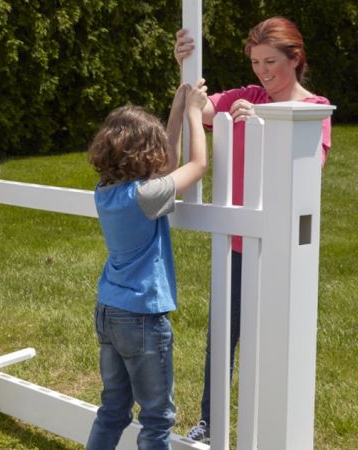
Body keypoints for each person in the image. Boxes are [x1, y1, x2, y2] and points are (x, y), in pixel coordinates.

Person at [174, 17, 332, 444]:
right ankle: (211, 421)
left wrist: (259, 120)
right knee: (222, 338)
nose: (263, 71)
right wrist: (185, 66)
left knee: (273, 343)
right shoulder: (246, 96)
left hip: (281, 249)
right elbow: (199, 107)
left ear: (295, 59)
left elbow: (308, 170)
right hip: (237, 243)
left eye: (271, 61)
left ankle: (271, 427)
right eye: (256, 62)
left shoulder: (316, 108)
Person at [86, 79, 209, 450]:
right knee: (156, 418)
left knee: (113, 409)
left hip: (109, 310)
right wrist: (192, 114)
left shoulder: (106, 192)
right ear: (142, 155)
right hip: (141, 317)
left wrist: (174, 108)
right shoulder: (146, 196)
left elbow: (166, 165)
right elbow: (197, 165)